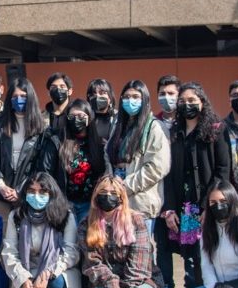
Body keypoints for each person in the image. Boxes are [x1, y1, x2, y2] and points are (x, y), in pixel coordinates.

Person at [157, 82, 229, 288]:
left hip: (207, 206)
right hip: (184, 207)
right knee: (190, 258)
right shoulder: (174, 132)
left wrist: (209, 205)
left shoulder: (216, 130)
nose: (187, 105)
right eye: (183, 101)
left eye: (192, 100)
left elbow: (222, 169)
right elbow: (166, 172)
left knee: (207, 256)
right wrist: (169, 209)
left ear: (202, 102)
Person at [1, 172, 83, 288]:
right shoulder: (17, 216)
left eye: (42, 192)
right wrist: (24, 278)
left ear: (52, 193)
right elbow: (9, 251)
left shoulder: (65, 216)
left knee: (58, 285)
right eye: (31, 191)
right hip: (28, 267)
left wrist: (48, 273)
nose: (36, 196)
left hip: (57, 268)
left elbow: (71, 252)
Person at [80, 175, 156, 288]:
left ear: (121, 197)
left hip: (137, 280)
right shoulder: (87, 223)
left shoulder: (136, 220)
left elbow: (139, 264)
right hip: (105, 280)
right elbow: (93, 263)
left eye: (113, 193)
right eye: (103, 192)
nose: (108, 196)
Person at [108, 79, 169, 240]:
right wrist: (111, 184)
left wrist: (126, 186)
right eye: (126, 97)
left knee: (139, 254)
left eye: (136, 96)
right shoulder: (118, 125)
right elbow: (107, 155)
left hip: (139, 201)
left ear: (145, 99)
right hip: (114, 199)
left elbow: (157, 166)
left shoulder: (154, 127)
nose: (130, 101)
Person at [0, 77, 51, 223]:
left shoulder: (41, 127)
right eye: (15, 96)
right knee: (1, 236)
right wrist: (1, 186)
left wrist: (20, 190)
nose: (19, 100)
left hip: (29, 194)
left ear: (30, 97)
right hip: (1, 194)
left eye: (23, 96)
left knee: (25, 237)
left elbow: (40, 165)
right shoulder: (1, 124)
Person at [52, 99, 105, 223]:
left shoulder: (98, 145)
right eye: (72, 116)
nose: (76, 119)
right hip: (65, 203)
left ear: (89, 118)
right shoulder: (59, 142)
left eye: (81, 116)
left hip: (89, 204)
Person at [87, 78, 117, 147]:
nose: (97, 96)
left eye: (101, 93)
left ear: (110, 97)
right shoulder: (86, 118)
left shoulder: (118, 119)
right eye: (93, 94)